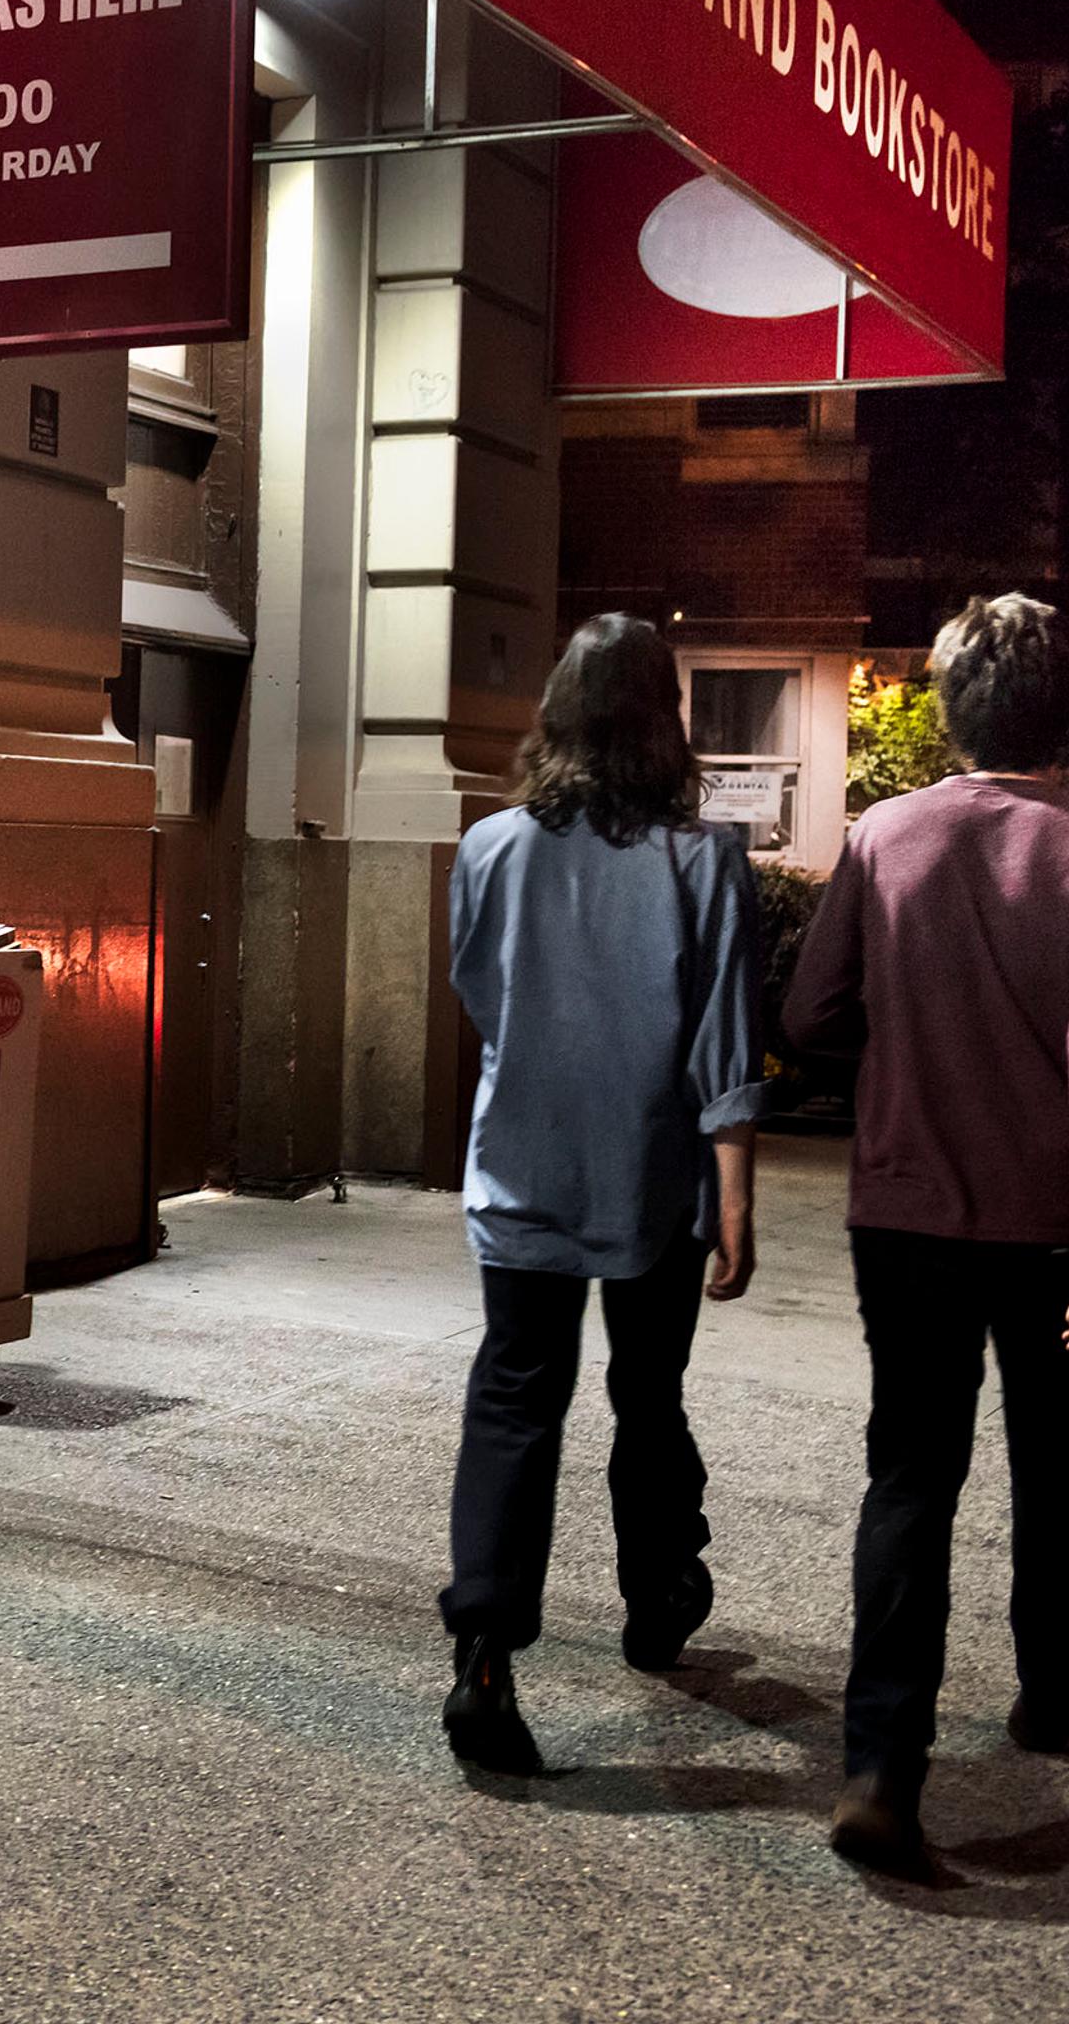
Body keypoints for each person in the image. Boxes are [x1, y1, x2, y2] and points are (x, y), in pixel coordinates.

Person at [784, 594, 1069, 1880]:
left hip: (901, 1214)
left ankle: (882, 1766)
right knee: (1056, 1456)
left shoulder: (885, 835)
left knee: (910, 1471)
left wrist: (899, 1052)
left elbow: (811, 1006)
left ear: (953, 712)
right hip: (1055, 1231)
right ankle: (1056, 1679)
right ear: (1065, 711)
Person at [438, 615, 767, 1777]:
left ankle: (484, 1645)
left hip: (520, 1161)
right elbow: (723, 1043)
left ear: (557, 716)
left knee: (516, 1396)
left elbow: (481, 990)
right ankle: (661, 1591)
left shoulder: (490, 849)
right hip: (650, 1175)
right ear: (664, 724)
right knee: (649, 1391)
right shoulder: (703, 859)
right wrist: (734, 1197)